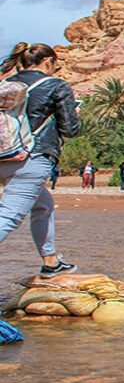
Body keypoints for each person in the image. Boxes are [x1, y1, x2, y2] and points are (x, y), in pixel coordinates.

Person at [0, 42, 80, 277]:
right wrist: (74, 114)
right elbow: (70, 130)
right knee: (9, 215)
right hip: (31, 159)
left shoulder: (6, 85)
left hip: (4, 157)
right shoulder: (56, 86)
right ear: (48, 61)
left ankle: (52, 261)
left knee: (43, 205)